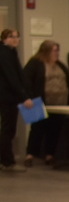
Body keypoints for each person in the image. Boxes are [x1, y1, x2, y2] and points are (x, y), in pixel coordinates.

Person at [23, 39, 69, 166]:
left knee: (54, 129)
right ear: (46, 51)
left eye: (57, 51)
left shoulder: (60, 65)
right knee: (37, 129)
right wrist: (28, 97)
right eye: (54, 51)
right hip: (38, 102)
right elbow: (26, 82)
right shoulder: (34, 64)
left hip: (59, 103)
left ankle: (49, 155)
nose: (57, 53)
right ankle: (30, 155)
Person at [0, 28, 33, 171]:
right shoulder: (4, 53)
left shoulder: (11, 52)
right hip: (7, 97)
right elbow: (11, 77)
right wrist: (23, 96)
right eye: (11, 37)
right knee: (8, 129)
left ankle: (5, 160)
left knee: (8, 129)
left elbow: (19, 76)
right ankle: (7, 162)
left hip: (9, 96)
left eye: (17, 36)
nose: (15, 39)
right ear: (4, 39)